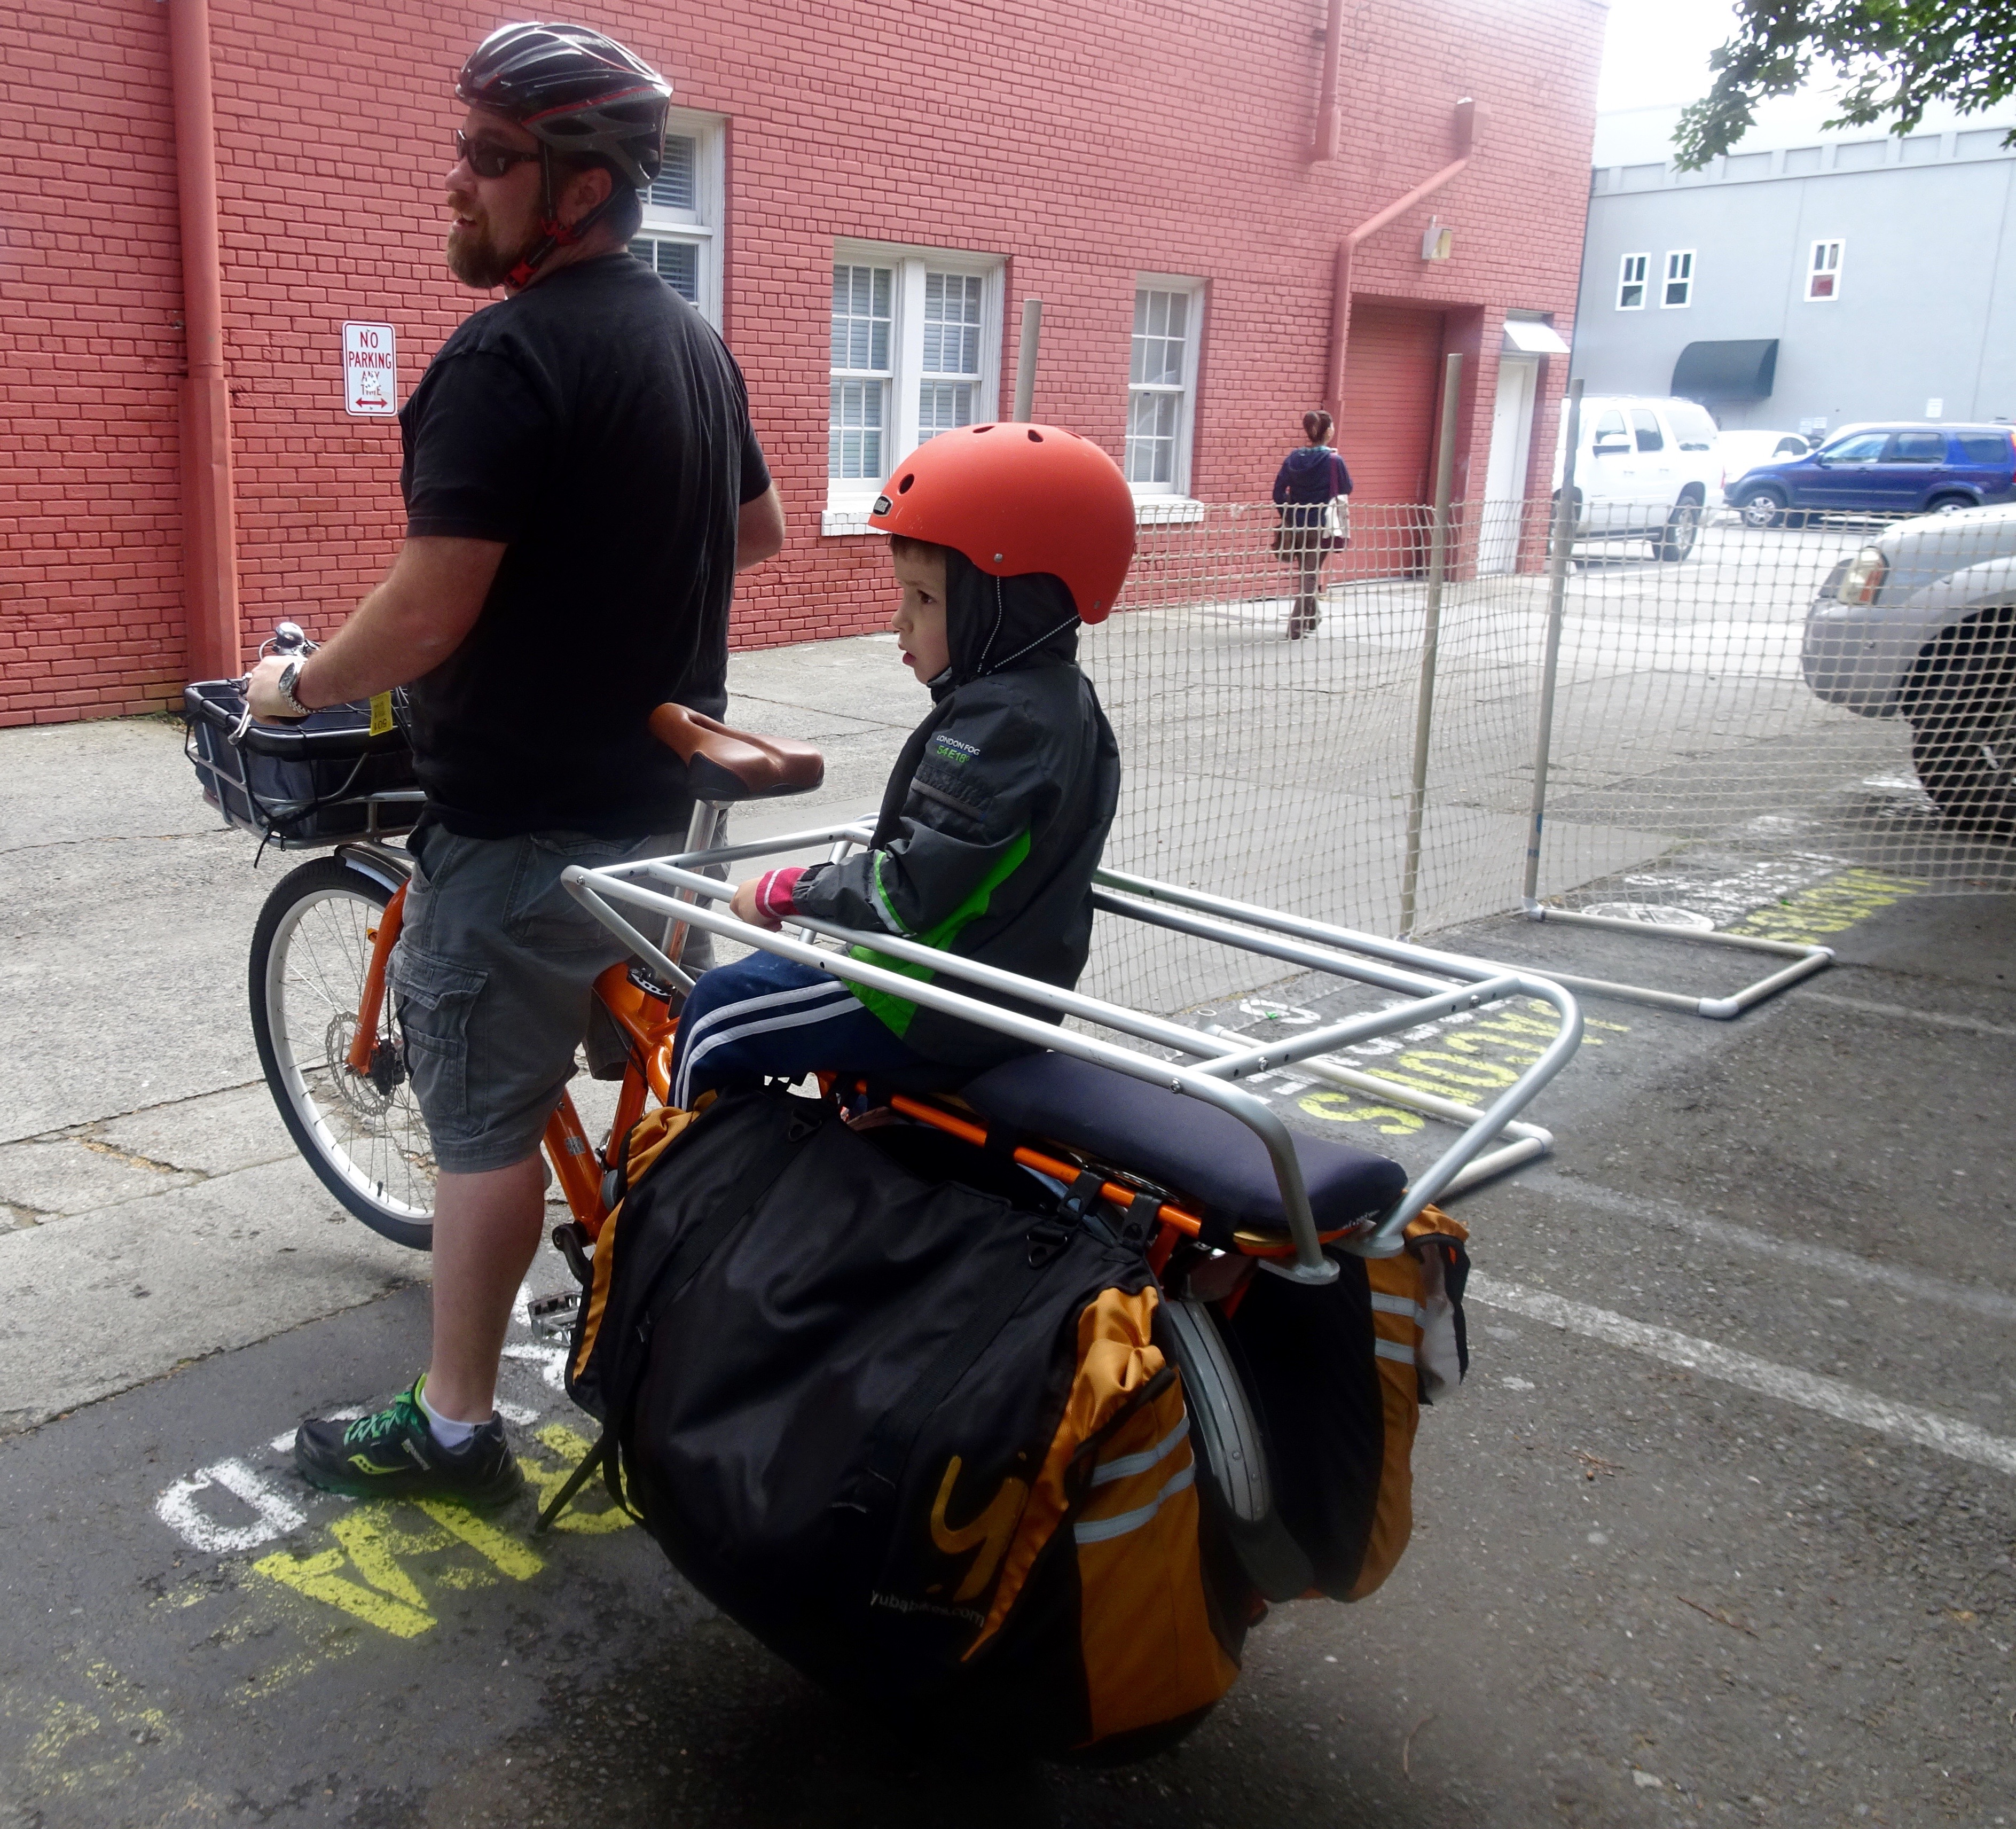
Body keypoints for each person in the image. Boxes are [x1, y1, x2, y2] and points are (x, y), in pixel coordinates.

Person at [244, 21, 785, 1506]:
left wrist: (298, 682)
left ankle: (455, 1427)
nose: (455, 182)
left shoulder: (504, 355)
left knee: (480, 1126)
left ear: (580, 189)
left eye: (490, 157)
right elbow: (752, 535)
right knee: (649, 1069)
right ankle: (655, 1286)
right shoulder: (690, 341)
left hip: (522, 824)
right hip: (666, 812)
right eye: (463, 148)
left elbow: (426, 613)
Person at [665, 423, 1132, 1108]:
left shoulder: (1004, 721)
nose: (898, 620)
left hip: (926, 1002)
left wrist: (786, 889)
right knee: (766, 987)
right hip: (976, 986)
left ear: (1006, 608)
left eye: (926, 598)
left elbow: (909, 887)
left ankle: (671, 1168)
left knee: (718, 1010)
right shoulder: (1054, 699)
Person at [1272, 409, 1353, 639]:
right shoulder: (1334, 461)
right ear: (1328, 432)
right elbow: (1347, 488)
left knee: (1306, 571)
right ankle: (1296, 626)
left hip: (1295, 525)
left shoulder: (1294, 458)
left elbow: (1278, 492)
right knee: (1310, 575)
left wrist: (1289, 512)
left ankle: (1313, 617)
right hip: (1322, 525)